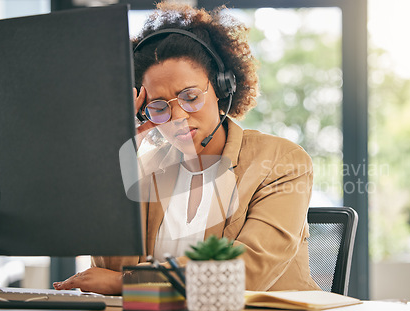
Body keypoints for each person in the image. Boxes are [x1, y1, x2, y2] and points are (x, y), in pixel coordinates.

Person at [53, 3, 319, 295]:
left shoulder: (281, 162)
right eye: (158, 107)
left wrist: (127, 283)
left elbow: (244, 273)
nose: (178, 117)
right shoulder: (147, 169)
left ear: (221, 87)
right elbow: (111, 267)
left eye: (190, 97)